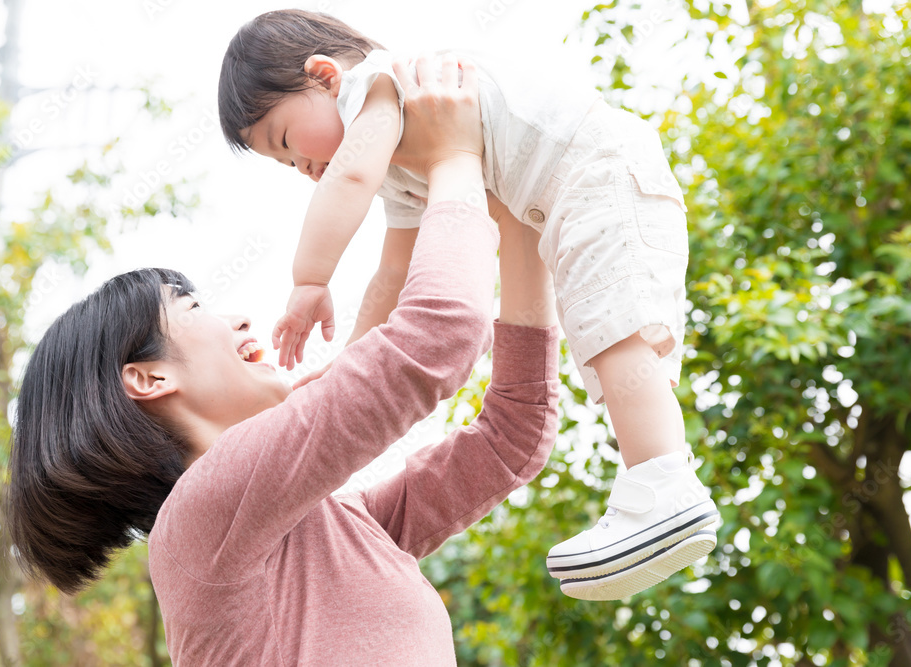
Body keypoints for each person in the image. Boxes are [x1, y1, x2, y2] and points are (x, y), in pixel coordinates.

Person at [5, 56, 563, 666]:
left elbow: (512, 437)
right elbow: (438, 335)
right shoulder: (199, 518)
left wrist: (519, 227)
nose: (240, 321)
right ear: (147, 377)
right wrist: (454, 160)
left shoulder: (334, 522)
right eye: (192, 307)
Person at [216, 9, 719, 601]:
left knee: (611, 331)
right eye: (284, 166)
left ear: (325, 77)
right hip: (570, 199)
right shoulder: (404, 167)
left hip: (599, 171)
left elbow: (346, 181)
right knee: (603, 331)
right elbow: (394, 271)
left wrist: (309, 280)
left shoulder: (380, 88)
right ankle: (657, 483)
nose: (301, 169)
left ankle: (661, 481)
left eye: (286, 143)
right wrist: (350, 358)